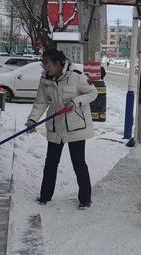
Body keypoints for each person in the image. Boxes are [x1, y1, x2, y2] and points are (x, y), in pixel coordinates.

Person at [26, 48, 98, 209]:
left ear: (58, 64)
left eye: (48, 64)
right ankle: (45, 196)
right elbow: (41, 102)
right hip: (56, 126)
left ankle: (85, 200)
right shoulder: (45, 79)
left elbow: (93, 93)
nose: (45, 67)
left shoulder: (76, 76)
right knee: (50, 163)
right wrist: (32, 119)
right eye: (43, 64)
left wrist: (75, 102)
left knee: (79, 163)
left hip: (76, 127)